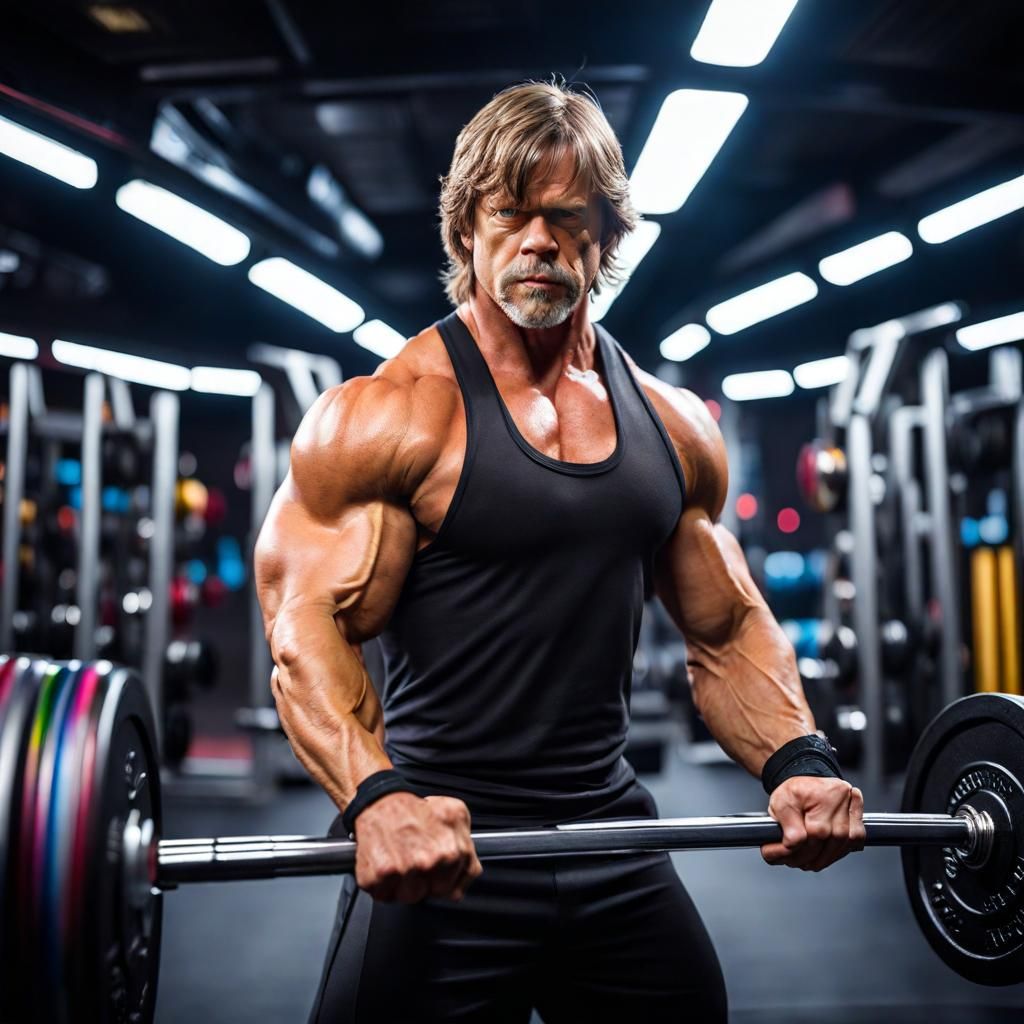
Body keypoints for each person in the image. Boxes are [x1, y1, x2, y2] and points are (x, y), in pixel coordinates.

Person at [255, 80, 865, 1023]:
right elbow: (305, 626)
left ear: (607, 236)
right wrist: (375, 797)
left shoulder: (672, 426)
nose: (538, 240)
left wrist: (799, 759)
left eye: (567, 216)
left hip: (609, 836)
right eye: (510, 212)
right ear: (467, 229)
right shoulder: (389, 414)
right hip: (441, 845)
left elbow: (727, 628)